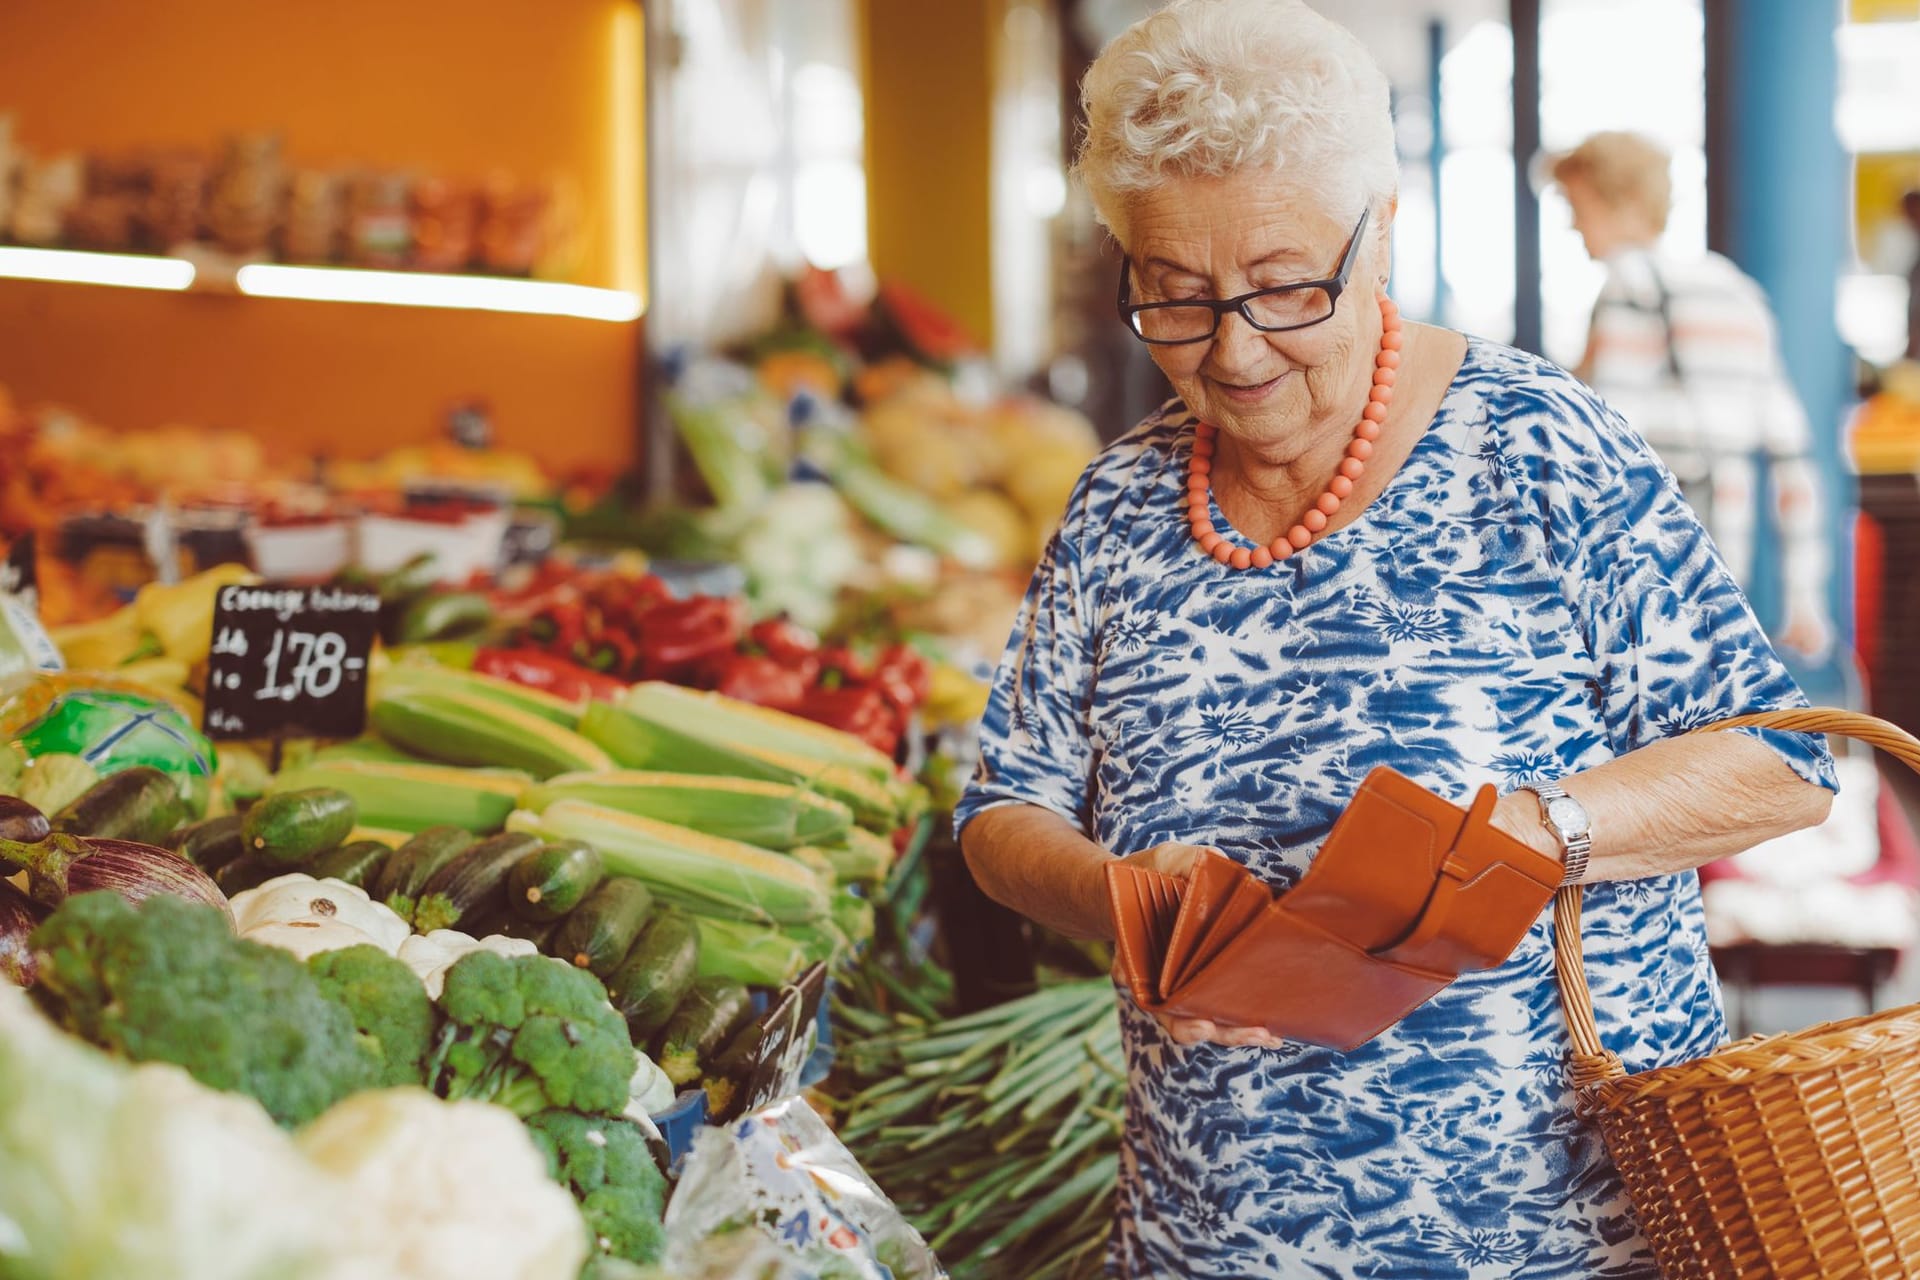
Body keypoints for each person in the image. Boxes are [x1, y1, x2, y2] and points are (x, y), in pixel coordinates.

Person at [954, 2, 1838, 1276]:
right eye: (1178, 297)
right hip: (1212, 1234)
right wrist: (1126, 899)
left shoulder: (1539, 446)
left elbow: (1783, 757)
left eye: (1283, 287)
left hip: (1554, 1237)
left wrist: (1534, 832)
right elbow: (1001, 811)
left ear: (1383, 238)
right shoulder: (1119, 504)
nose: (1236, 348)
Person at [1552, 130, 1833, 660]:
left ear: (1620, 200)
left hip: (1638, 571)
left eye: (1576, 203)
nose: (1572, 224)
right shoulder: (1737, 290)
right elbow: (1791, 453)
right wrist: (1805, 598)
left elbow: (1600, 442)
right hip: (1722, 567)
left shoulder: (1626, 288)